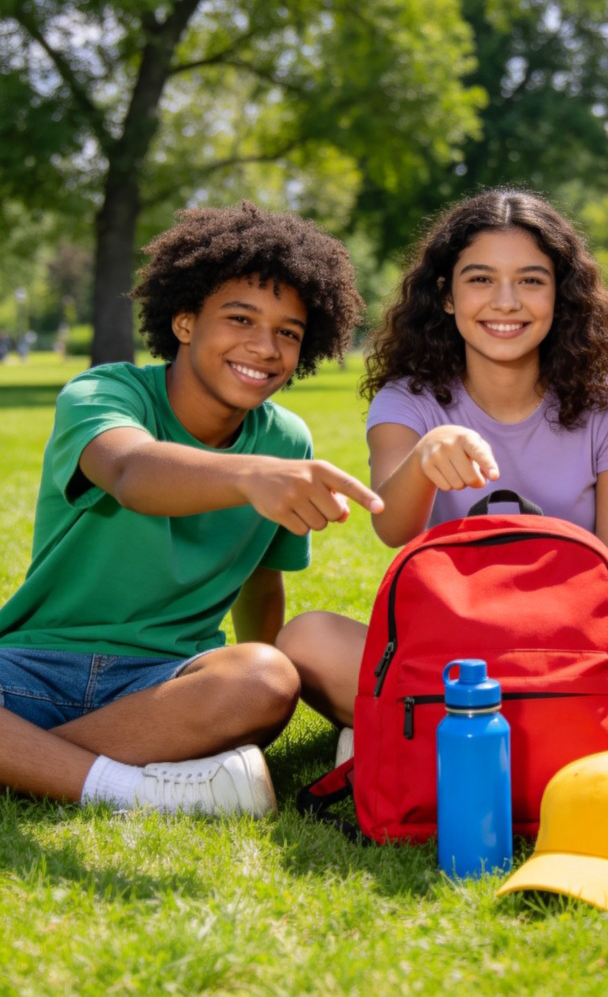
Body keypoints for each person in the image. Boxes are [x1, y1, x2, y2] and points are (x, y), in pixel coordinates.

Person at [278, 188, 608, 774]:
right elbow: (393, 529)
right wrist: (425, 457)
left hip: (571, 649)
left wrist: (533, 643)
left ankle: (406, 735)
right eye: (479, 280)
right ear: (447, 297)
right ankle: (605, 735)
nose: (506, 302)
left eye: (530, 280)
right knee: (306, 639)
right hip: (448, 655)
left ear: (561, 295)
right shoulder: (408, 402)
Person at [0, 202, 383, 816]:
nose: (264, 347)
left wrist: (261, 708)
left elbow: (262, 581)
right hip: (31, 669)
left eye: (288, 332)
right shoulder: (104, 392)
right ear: (183, 322)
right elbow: (131, 472)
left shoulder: (285, 439)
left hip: (166, 686)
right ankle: (130, 787)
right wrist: (252, 477)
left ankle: (31, 765)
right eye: (240, 318)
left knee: (265, 676)